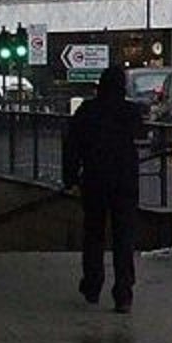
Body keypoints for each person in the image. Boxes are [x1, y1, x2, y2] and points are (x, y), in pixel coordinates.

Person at [63, 63, 144, 312]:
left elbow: (72, 146)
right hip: (125, 181)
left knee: (94, 234)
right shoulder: (131, 112)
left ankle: (92, 284)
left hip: (95, 179)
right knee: (124, 237)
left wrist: (71, 178)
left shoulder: (87, 111)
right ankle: (123, 293)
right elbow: (141, 135)